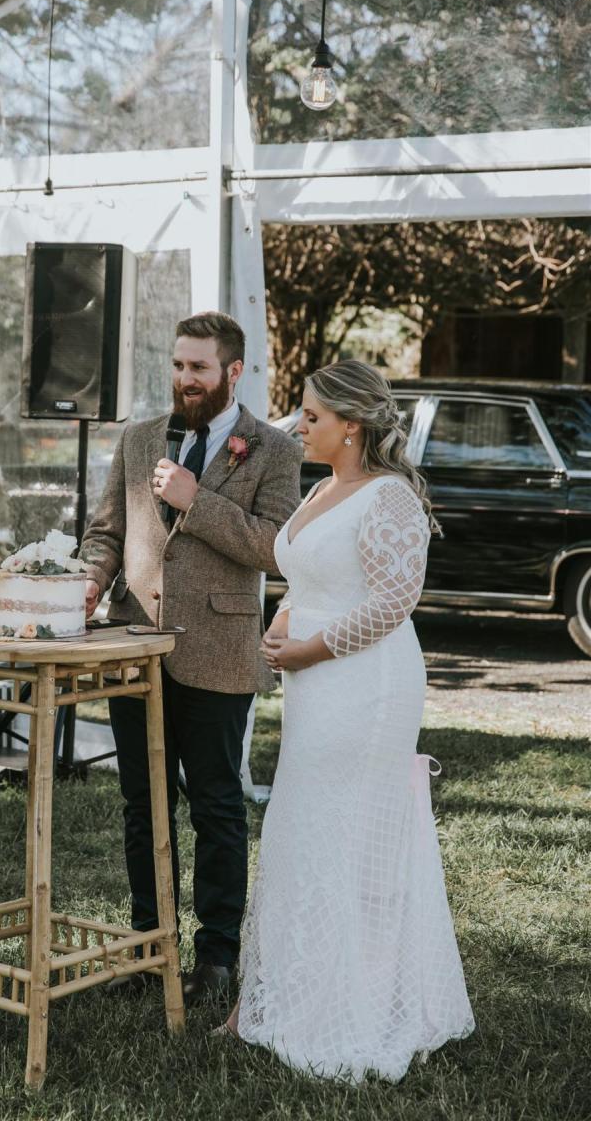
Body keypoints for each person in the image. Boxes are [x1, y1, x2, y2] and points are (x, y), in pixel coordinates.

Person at [221, 358, 475, 1081]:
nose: (298, 426)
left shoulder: (388, 498)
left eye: (311, 416)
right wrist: (283, 624)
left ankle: (355, 1002)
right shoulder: (322, 489)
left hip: (368, 684)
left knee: (342, 827)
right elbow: (311, 577)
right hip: (312, 678)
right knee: (300, 821)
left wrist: (305, 647)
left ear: (351, 425)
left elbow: (395, 600)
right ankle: (282, 996)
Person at [79, 311, 301, 1003]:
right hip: (135, 645)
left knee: (215, 806)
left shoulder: (274, 450)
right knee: (142, 805)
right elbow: (106, 531)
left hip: (219, 650)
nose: (184, 380)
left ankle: (216, 961)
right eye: (178, 366)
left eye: (198, 368)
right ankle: (149, 953)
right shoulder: (141, 438)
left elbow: (273, 547)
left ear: (233, 372)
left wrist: (195, 500)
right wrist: (89, 578)